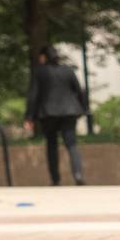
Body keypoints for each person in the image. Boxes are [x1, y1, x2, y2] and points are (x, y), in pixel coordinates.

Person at [27, 45, 90, 186]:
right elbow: (79, 91)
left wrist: (29, 116)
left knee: (51, 145)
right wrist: (84, 108)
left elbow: (33, 95)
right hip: (69, 112)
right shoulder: (68, 70)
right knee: (72, 144)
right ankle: (78, 174)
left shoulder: (39, 72)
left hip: (48, 113)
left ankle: (55, 179)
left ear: (44, 56)